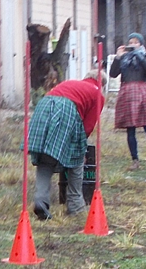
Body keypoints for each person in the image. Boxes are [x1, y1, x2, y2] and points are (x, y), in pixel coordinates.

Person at [28, 70, 107, 220]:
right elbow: (87, 127)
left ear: (86, 77)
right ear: (101, 83)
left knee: (46, 158)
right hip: (66, 109)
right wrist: (81, 149)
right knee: (76, 159)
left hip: (43, 106)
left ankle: (40, 201)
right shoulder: (98, 94)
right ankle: (75, 205)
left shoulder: (71, 84)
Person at [110, 33, 146, 170]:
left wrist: (139, 55)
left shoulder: (145, 56)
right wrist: (118, 57)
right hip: (127, 93)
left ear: (141, 44)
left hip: (142, 92)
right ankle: (135, 160)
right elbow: (113, 74)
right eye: (130, 41)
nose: (132, 44)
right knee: (130, 129)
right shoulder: (123, 59)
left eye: (136, 42)